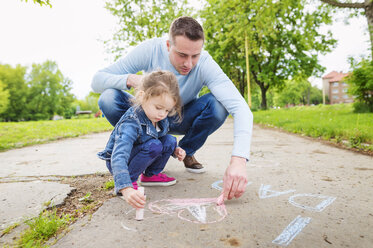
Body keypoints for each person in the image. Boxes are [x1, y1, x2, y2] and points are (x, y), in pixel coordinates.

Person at [92, 16, 253, 202]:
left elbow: (241, 108)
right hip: (146, 118)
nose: (189, 64)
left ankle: (185, 151)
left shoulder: (205, 63)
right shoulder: (151, 49)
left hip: (181, 117)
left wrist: (239, 161)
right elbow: (97, 81)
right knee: (108, 97)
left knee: (218, 106)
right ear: (168, 45)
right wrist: (129, 79)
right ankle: (138, 147)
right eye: (182, 55)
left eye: (195, 56)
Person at [97, 70, 186, 209]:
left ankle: (150, 176)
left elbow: (162, 138)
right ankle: (130, 180)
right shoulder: (131, 123)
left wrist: (175, 150)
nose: (163, 114)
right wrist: (125, 188)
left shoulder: (159, 117)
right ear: (142, 96)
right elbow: (119, 155)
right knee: (154, 145)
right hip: (122, 163)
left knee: (169, 140)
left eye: (167, 110)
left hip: (142, 152)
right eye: (158, 108)